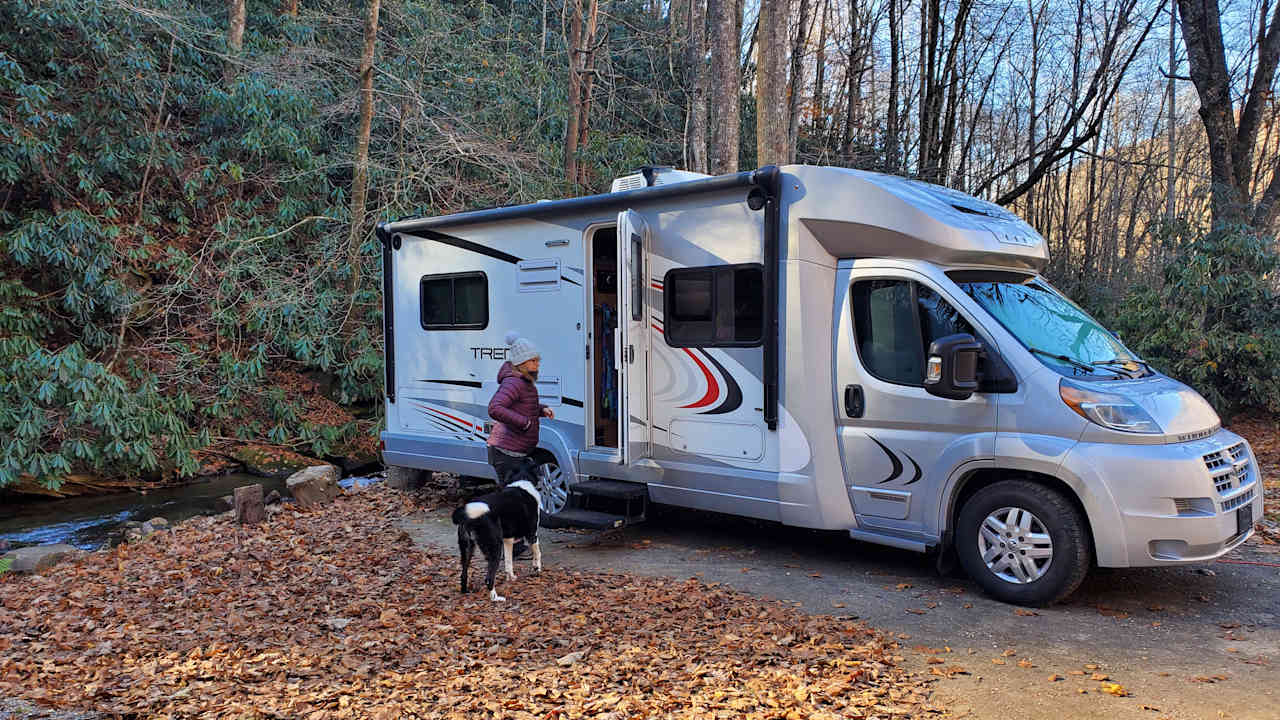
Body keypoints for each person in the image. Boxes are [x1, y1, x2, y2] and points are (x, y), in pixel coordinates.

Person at [487, 332, 554, 557]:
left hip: (514, 450)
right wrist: (524, 423)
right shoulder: (514, 383)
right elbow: (495, 408)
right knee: (512, 501)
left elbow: (522, 406)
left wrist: (540, 409)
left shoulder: (524, 382)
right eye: (533, 361)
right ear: (521, 363)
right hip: (506, 451)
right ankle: (512, 549)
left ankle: (509, 544)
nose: (537, 364)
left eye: (537, 360)